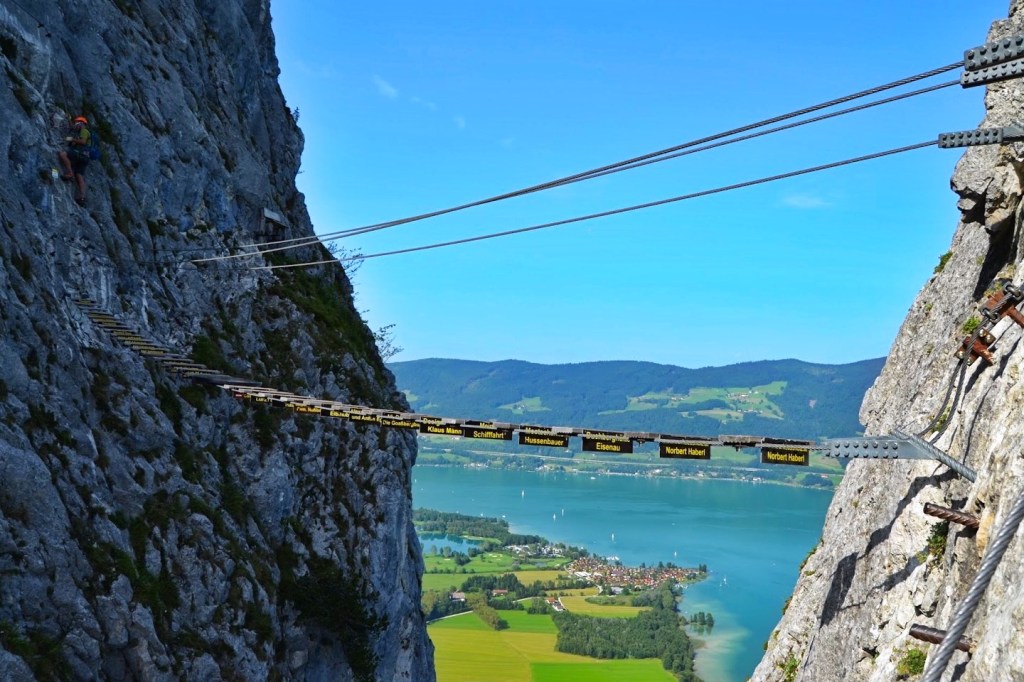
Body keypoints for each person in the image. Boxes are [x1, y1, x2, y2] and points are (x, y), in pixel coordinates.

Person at [58, 116, 91, 205]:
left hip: (80, 153)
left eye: (77, 123)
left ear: (82, 123)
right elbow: (72, 127)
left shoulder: (84, 131)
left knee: (63, 154)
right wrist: (69, 119)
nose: (75, 125)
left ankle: (70, 173)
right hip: (85, 157)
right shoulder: (81, 131)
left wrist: (72, 139)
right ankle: (82, 197)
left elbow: (83, 142)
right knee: (79, 175)